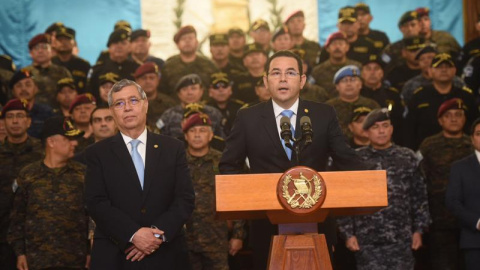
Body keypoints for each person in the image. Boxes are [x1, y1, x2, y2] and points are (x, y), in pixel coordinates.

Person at [219, 50, 372, 270]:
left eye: (290, 73)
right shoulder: (247, 118)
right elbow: (228, 165)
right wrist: (248, 195)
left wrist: (371, 178)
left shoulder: (323, 114)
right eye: (276, 73)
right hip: (266, 224)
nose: (282, 79)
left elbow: (346, 158)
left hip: (317, 222)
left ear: (301, 81)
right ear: (266, 81)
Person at [85, 79, 195, 269]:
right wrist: (133, 234)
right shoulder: (97, 153)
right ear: (112, 112)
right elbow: (96, 202)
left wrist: (155, 235)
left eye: (133, 100)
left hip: (166, 254)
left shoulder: (172, 148)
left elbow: (184, 198)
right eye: (119, 103)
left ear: (145, 104)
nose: (127, 108)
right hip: (116, 254)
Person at [337, 108, 430, 270]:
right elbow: (346, 198)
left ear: (392, 129)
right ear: (366, 132)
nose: (381, 131)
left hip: (401, 237)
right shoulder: (356, 159)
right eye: (375, 127)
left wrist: (419, 230)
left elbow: (419, 196)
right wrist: (348, 233)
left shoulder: (407, 157)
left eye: (385, 126)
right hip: (366, 238)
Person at [7, 116, 89, 270]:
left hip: (76, 259)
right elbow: (17, 218)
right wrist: (20, 253)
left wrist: (91, 251)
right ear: (51, 142)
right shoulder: (28, 175)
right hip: (37, 260)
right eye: (69, 139)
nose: (75, 143)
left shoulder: (82, 174)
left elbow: (91, 217)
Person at [182, 112, 245, 270]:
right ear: (185, 136)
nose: (197, 135)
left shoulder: (223, 162)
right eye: (192, 131)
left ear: (211, 136)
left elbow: (236, 197)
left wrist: (238, 235)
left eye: (202, 131)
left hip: (216, 238)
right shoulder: (177, 162)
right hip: (184, 238)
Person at [419, 98, 474, 270]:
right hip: (439, 219)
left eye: (458, 115)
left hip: (471, 220)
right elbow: (419, 181)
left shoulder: (473, 145)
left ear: (465, 119)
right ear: (440, 120)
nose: (454, 119)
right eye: (448, 115)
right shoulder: (429, 145)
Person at [0, 99, 43, 269]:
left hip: (35, 232)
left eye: (20, 116)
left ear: (29, 121)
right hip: (2, 231)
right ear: (3, 122)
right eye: (10, 117)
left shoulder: (42, 150)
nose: (15, 121)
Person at [405, 53, 479, 150]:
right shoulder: (419, 96)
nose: (444, 70)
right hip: (426, 151)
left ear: (454, 70)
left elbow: (476, 125)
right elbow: (409, 129)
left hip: (463, 150)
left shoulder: (466, 96)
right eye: (439, 67)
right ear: (430, 71)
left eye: (448, 67)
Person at [447, 118, 480, 270]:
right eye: (479, 134)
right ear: (472, 138)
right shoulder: (460, 168)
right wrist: (477, 222)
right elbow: (453, 202)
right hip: (475, 241)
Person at [157, 74, 224, 139]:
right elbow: (158, 137)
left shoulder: (214, 114)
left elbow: (222, 140)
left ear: (201, 91)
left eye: (193, 88)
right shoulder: (169, 115)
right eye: (185, 89)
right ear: (179, 94)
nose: (189, 93)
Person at [159, 25, 218, 98]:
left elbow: (217, 89)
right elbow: (162, 92)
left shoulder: (209, 65)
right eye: (183, 39)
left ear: (196, 42)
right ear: (177, 44)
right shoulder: (169, 65)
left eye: (190, 38)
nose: (187, 41)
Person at [325, 65, 380, 141]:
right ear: (337, 86)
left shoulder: (372, 105)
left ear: (360, 84)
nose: (349, 84)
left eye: (353, 80)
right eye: (344, 81)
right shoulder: (327, 108)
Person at [360, 54, 404, 145]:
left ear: (382, 73)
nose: (372, 72)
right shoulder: (358, 94)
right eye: (368, 69)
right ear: (362, 74)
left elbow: (400, 122)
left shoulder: (392, 94)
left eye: (376, 69)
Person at [88, 27, 140, 102]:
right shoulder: (98, 69)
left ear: (130, 47)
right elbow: (90, 95)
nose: (119, 46)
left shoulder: (137, 68)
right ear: (109, 48)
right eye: (115, 43)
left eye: (123, 43)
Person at [23, 33, 72, 106]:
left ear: (52, 51)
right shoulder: (24, 73)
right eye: (36, 48)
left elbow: (71, 95)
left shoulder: (62, 72)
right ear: (30, 53)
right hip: (31, 114)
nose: (40, 51)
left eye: (44, 47)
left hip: (57, 114)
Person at [310, 31, 362, 97]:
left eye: (341, 44)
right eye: (334, 44)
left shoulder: (357, 67)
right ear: (327, 48)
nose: (337, 47)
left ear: (347, 47)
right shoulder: (317, 71)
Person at [9, 69, 55, 139]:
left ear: (36, 88)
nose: (23, 89)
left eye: (28, 85)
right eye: (19, 86)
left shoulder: (47, 112)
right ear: (13, 91)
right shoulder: (6, 113)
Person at [133, 62, 176, 131]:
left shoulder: (169, 103)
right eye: (144, 78)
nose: (148, 81)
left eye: (152, 78)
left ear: (158, 80)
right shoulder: (130, 103)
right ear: (137, 81)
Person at [51, 25, 91, 92]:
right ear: (55, 43)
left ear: (74, 43)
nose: (63, 42)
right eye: (60, 40)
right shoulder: (50, 63)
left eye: (67, 39)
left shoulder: (84, 65)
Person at [206, 72, 244, 136]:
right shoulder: (204, 110)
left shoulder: (241, 108)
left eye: (224, 86)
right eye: (216, 87)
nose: (221, 90)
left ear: (230, 90)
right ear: (210, 91)